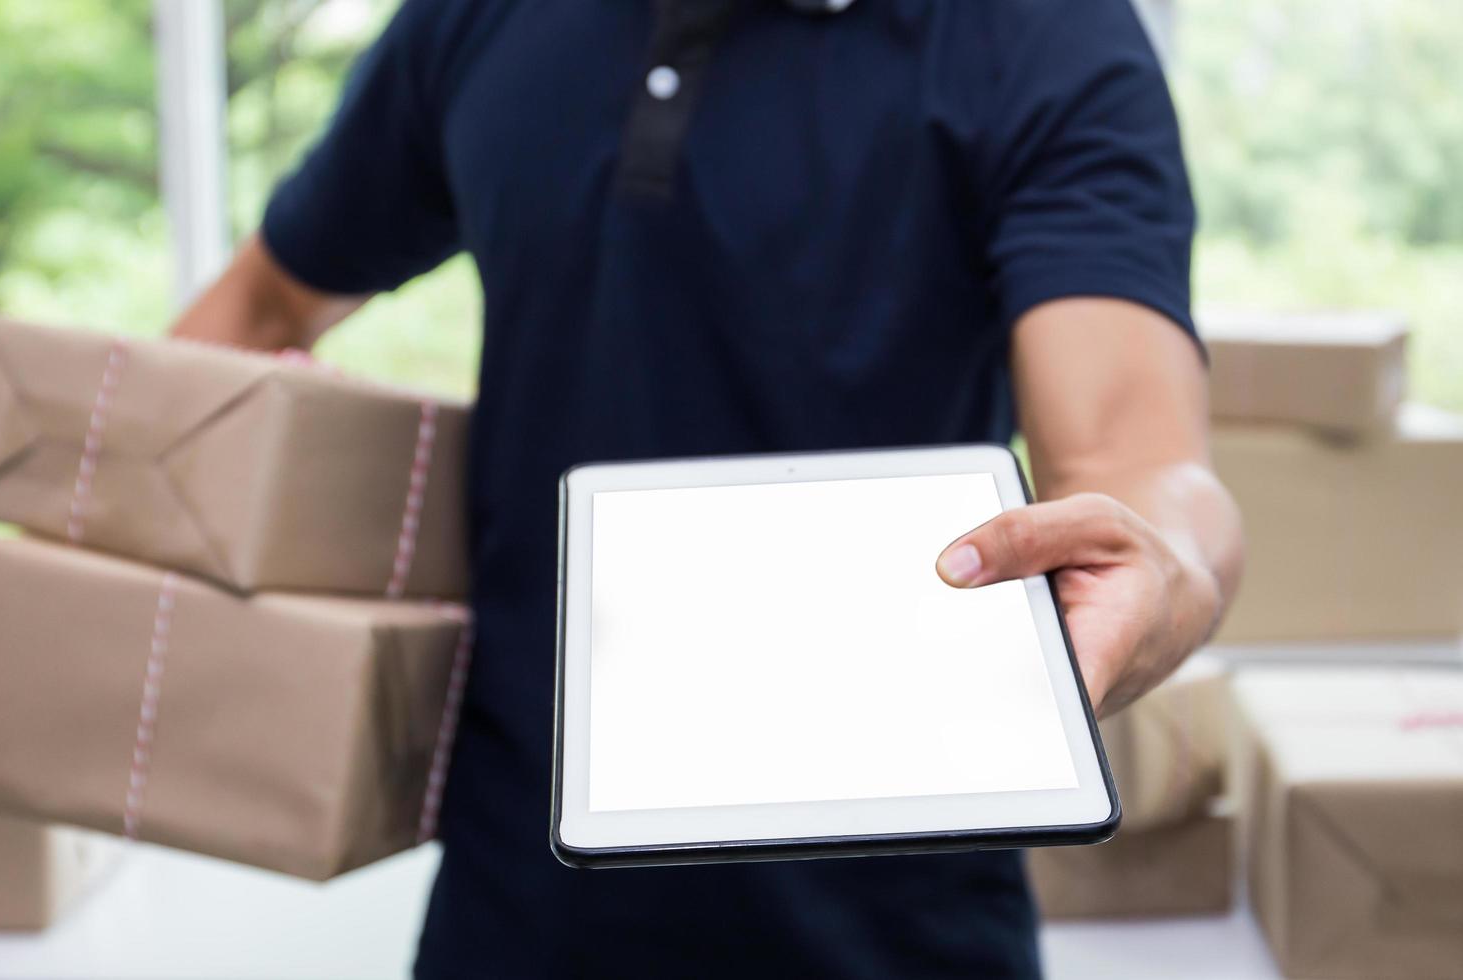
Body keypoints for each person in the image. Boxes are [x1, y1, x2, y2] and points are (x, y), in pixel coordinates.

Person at [173, 0, 1243, 975]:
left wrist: (1167, 565)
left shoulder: (1041, 34)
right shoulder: (474, 18)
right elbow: (256, 310)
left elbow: (1133, 461)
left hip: (894, 919)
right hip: (516, 900)